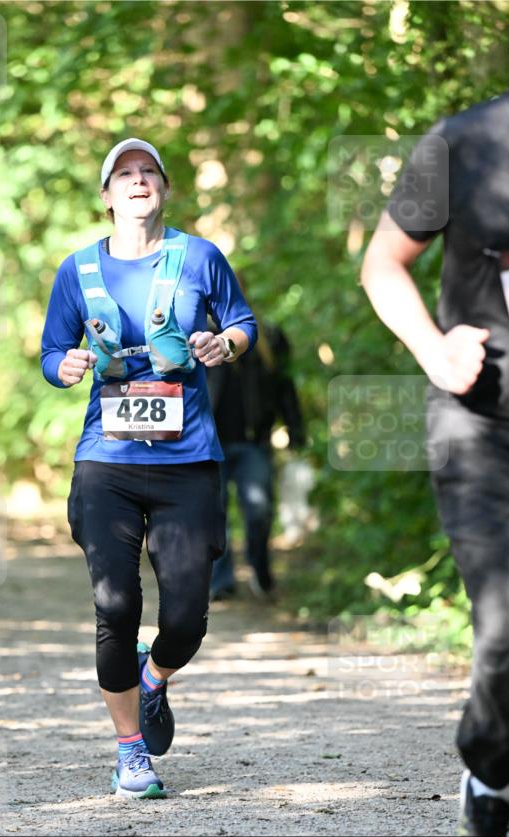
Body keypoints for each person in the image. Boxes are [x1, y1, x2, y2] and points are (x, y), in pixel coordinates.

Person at [361, 4, 509, 837]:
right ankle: (490, 778)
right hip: (483, 428)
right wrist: (431, 349)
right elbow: (385, 264)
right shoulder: (463, 144)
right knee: (508, 630)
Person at [40, 138, 257, 799]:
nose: (137, 181)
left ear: (163, 189)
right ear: (106, 195)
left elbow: (243, 322)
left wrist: (225, 342)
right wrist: (64, 366)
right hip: (106, 461)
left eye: (148, 173)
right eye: (123, 175)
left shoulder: (198, 257)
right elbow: (53, 350)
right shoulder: (77, 270)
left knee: (187, 614)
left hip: (187, 461)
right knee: (115, 604)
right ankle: (130, 753)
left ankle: (154, 677)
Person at [206, 321, 305, 601]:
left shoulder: (269, 336)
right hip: (210, 443)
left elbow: (284, 385)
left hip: (253, 442)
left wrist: (295, 426)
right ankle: (220, 580)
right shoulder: (196, 332)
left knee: (259, 511)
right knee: (213, 513)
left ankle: (260, 573)